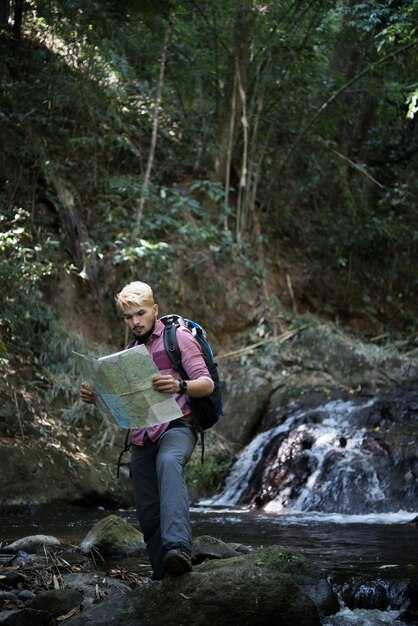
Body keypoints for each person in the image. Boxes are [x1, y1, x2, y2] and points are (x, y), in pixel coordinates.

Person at [80, 281, 213, 580]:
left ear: (154, 310)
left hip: (179, 425)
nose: (135, 322)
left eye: (140, 314)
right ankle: (161, 575)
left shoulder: (178, 338)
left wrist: (180, 385)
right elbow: (122, 400)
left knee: (169, 463)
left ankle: (179, 548)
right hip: (142, 435)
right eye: (128, 317)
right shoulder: (130, 352)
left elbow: (207, 384)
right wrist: (96, 395)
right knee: (147, 509)